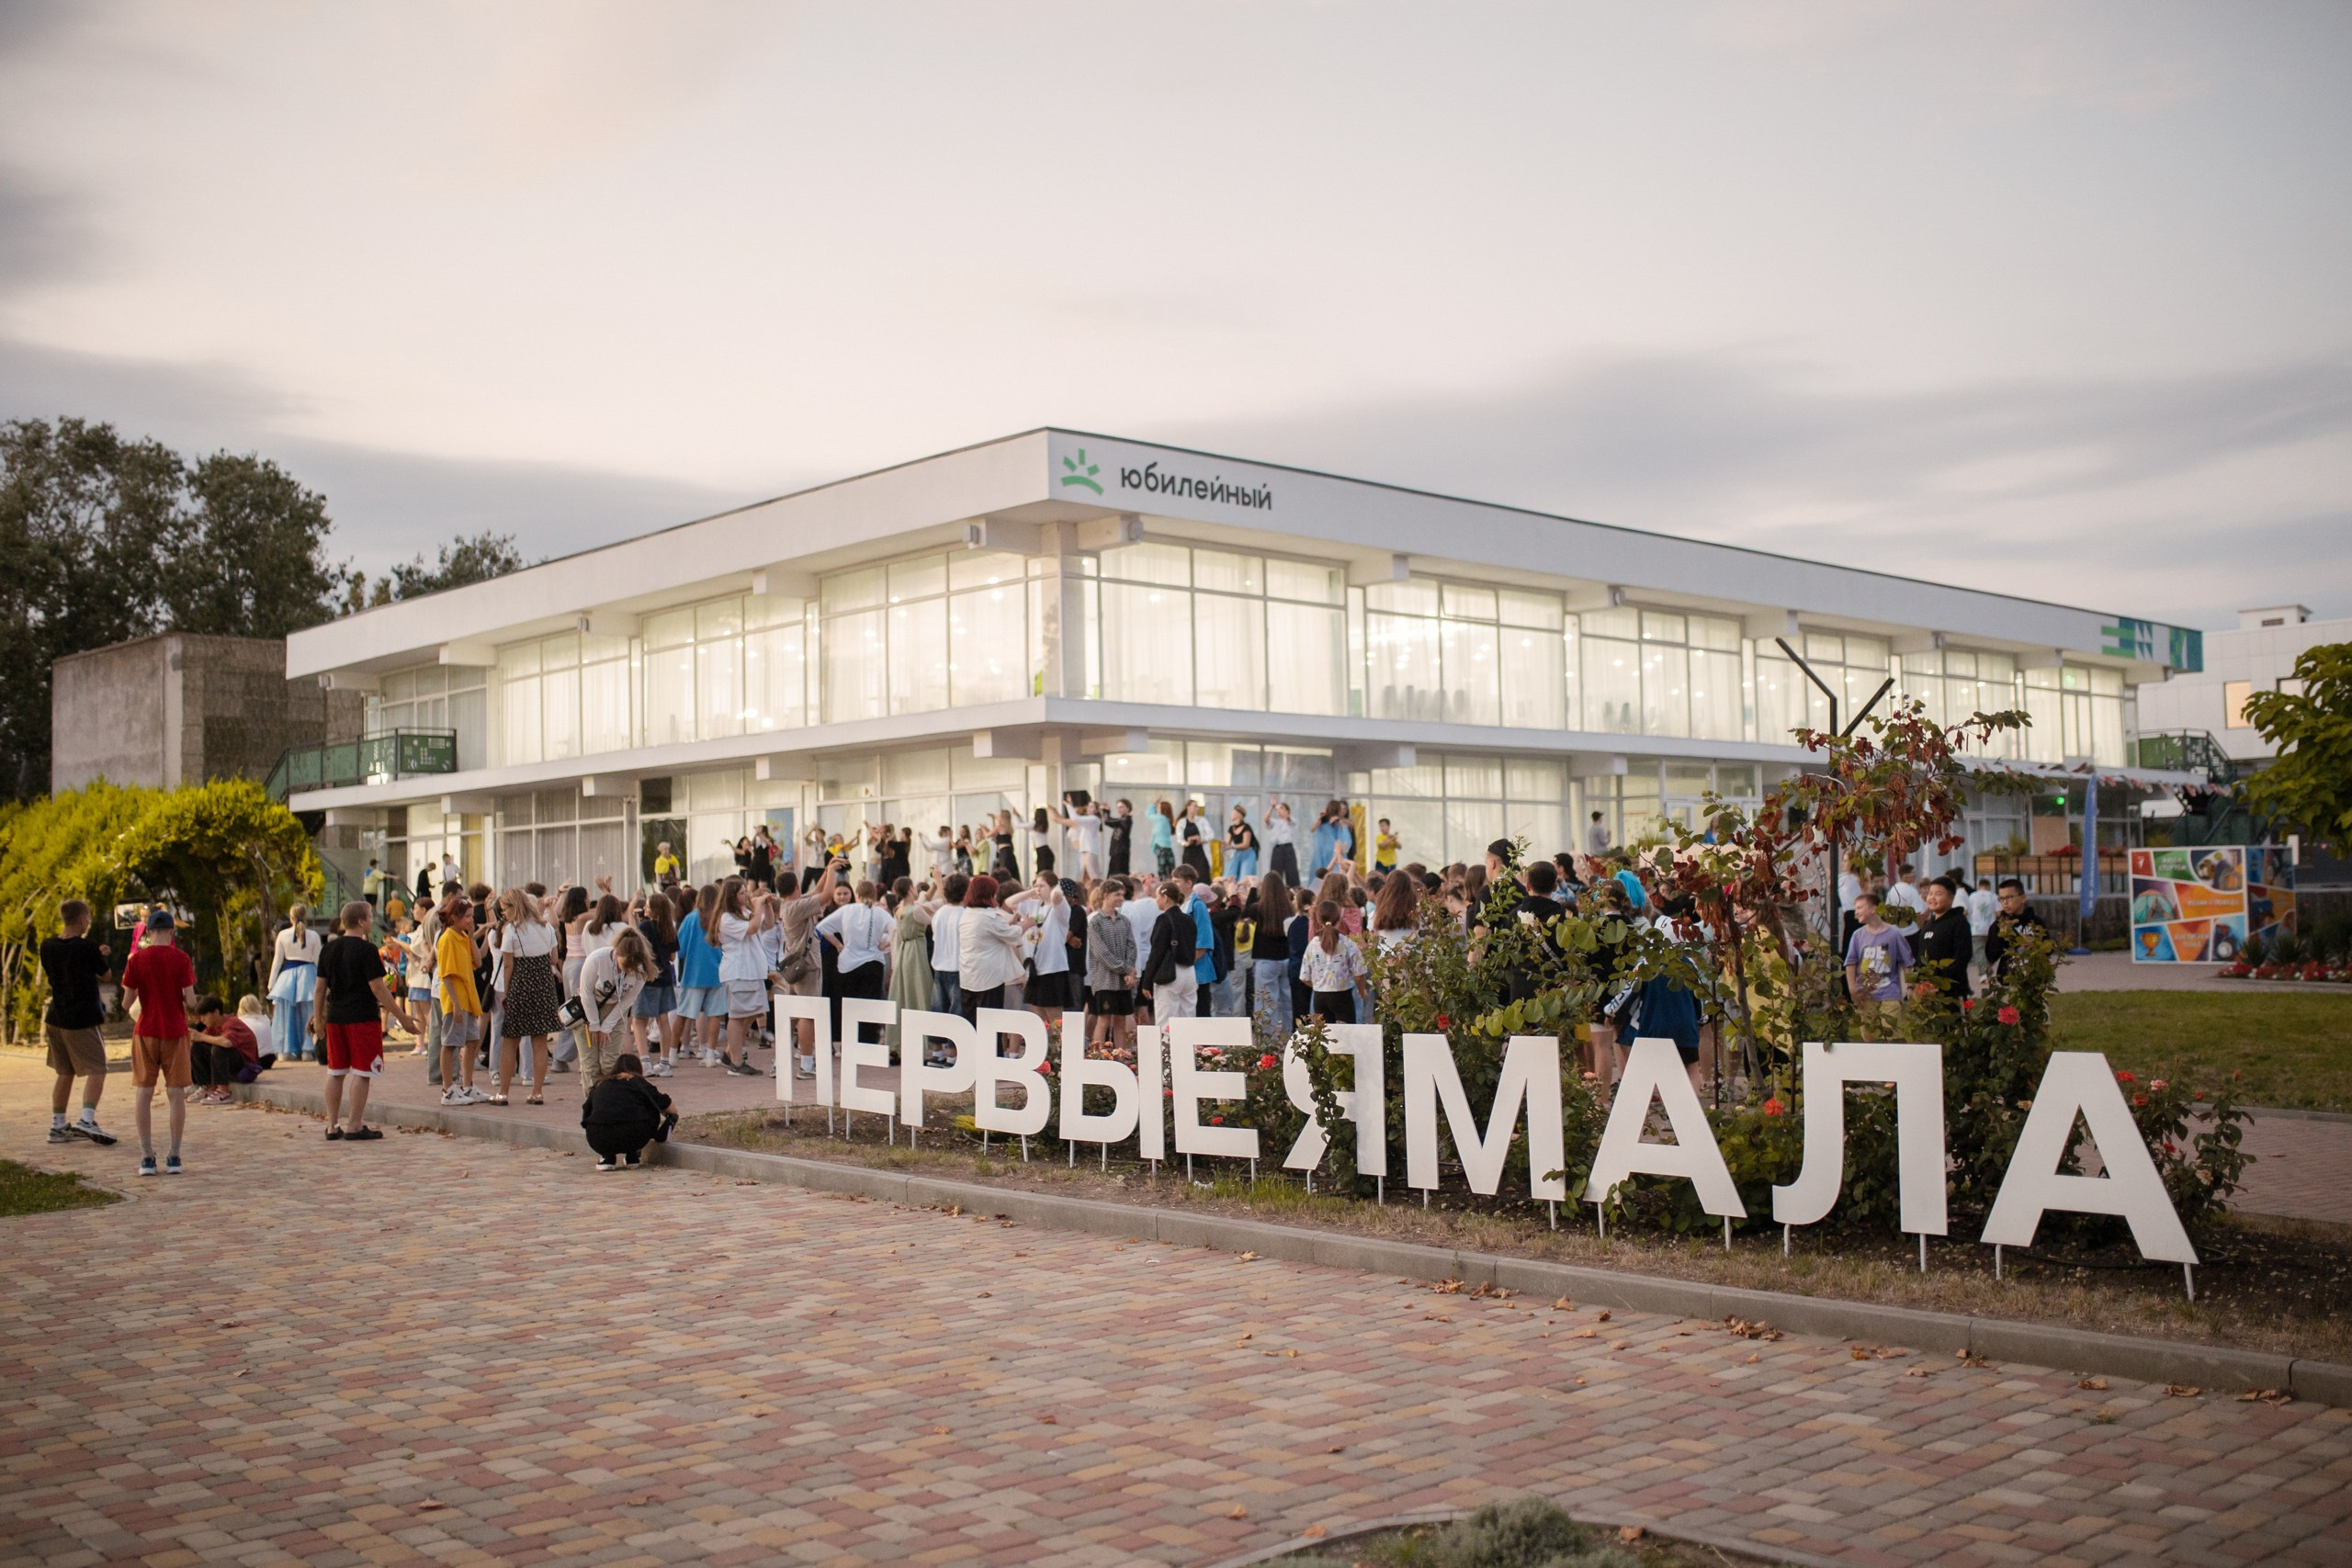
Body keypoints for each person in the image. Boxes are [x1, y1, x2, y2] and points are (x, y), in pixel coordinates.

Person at [313, 899, 417, 1141]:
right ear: (361, 921)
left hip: (336, 1016)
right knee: (362, 1071)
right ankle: (354, 1124)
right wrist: (402, 1016)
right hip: (362, 1018)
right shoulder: (367, 950)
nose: (372, 920)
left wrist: (318, 1018)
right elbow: (379, 989)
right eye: (370, 917)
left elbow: (320, 989)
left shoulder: (328, 948)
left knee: (335, 1070)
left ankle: (331, 1125)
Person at [120, 909, 198, 1175]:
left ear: (148, 931)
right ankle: (174, 1156)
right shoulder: (182, 959)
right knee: (176, 1094)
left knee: (143, 1092)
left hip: (146, 1030)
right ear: (171, 931)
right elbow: (191, 1000)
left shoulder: (137, 960)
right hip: (175, 1030)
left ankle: (146, 1157)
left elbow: (126, 1002)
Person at [40, 899, 116, 1145]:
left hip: (56, 1017)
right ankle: (87, 1118)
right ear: (82, 918)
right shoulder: (87, 947)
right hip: (81, 1017)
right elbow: (105, 975)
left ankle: (58, 1125)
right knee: (97, 1068)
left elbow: (67, 965)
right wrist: (98, 955)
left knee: (65, 1072)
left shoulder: (47, 946)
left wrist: (94, 954)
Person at [494, 887, 562, 1105]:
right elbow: (554, 959)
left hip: (520, 983)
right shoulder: (546, 926)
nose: (503, 913)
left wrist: (506, 992)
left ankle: (503, 1093)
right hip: (543, 984)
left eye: (505, 909)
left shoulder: (512, 930)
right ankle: (537, 1091)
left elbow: (508, 964)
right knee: (540, 1041)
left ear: (515, 907)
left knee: (510, 1041)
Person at [571, 927, 656, 1089]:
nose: (629, 970)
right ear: (617, 953)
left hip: (616, 1012)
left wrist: (606, 1027)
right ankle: (591, 1105)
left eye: (633, 966)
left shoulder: (641, 970)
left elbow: (627, 1001)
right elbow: (586, 994)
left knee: (610, 1063)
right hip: (589, 1010)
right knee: (590, 1065)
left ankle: (609, 1099)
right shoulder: (597, 960)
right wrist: (595, 1025)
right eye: (625, 965)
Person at [714, 878, 775, 1077]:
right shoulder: (727, 918)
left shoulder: (744, 913)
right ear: (732, 896)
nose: (746, 896)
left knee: (752, 1012)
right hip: (738, 972)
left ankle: (730, 1053)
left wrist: (766, 906)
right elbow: (753, 928)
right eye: (742, 893)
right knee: (737, 1016)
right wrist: (757, 905)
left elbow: (768, 924)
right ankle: (737, 1063)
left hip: (752, 972)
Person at [434, 895, 490, 1105]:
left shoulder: (463, 937)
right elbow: (446, 974)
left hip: (468, 997)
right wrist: (456, 1004)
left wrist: (473, 936)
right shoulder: (447, 938)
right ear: (454, 917)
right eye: (466, 916)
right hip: (455, 999)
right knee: (450, 1044)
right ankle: (448, 1089)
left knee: (472, 1040)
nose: (470, 920)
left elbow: (477, 960)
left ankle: (468, 1085)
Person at [580, 1053, 676, 1172]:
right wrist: (639, 1082)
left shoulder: (601, 1084)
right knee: (649, 1106)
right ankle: (633, 1155)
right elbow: (672, 1110)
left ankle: (607, 1157)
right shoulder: (638, 1083)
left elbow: (586, 1111)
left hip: (598, 1137)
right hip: (636, 1136)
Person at [956, 874, 1024, 1018]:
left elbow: (990, 933)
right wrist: (1027, 924)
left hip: (968, 976)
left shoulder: (966, 914)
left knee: (971, 1022)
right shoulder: (990, 917)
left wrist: (1009, 923)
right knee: (991, 1025)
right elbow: (1013, 935)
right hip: (989, 980)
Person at [1084, 883, 1138, 1056]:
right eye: (1117, 894)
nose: (1121, 898)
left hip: (1123, 981)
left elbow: (1132, 946)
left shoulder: (1125, 921)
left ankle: (1120, 1058)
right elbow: (1102, 953)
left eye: (1122, 894)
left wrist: (1129, 970)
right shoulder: (1095, 922)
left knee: (1121, 1020)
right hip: (1105, 981)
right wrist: (1125, 970)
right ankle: (1097, 1057)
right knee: (1104, 1020)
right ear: (1106, 895)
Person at [674, 885, 725, 1067]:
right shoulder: (720, 918)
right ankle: (710, 1053)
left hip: (693, 973)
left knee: (683, 1014)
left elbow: (679, 949)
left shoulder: (690, 918)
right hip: (716, 973)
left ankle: (673, 1053)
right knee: (715, 1016)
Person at [189, 996, 271, 1104]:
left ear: (216, 1012)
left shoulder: (231, 1022)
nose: (202, 1019)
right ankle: (207, 1087)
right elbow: (202, 1039)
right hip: (234, 1066)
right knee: (197, 1048)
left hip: (246, 1069)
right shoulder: (212, 1026)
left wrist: (201, 1037)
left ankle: (224, 1091)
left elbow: (227, 1042)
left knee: (219, 1049)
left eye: (205, 1015)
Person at [1298, 900, 1369, 1024]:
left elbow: (1304, 976)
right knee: (1346, 1034)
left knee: (1325, 1036)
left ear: (1318, 920)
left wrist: (1319, 985)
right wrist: (1362, 991)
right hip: (1342, 996)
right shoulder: (1347, 944)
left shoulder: (1313, 945)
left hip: (1319, 997)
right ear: (1340, 918)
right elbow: (1359, 973)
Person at [266, 906, 322, 1062]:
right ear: (305, 917)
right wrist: (324, 983)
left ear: (290, 917)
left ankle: (285, 1051)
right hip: (308, 976)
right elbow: (318, 961)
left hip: (287, 977)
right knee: (308, 1013)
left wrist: (271, 983)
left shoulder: (282, 935)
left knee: (286, 1015)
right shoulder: (314, 936)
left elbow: (277, 960)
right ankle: (307, 1050)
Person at [1247, 872, 1295, 1041]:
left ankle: (1268, 1044)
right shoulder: (1289, 908)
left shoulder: (1259, 908)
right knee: (1288, 1003)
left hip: (1265, 959)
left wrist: (1253, 888)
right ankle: (1289, 1040)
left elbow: (1246, 912)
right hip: (1285, 959)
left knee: (1266, 1005)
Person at [1843, 893, 1912, 1010]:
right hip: (1864, 995)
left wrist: (1910, 986)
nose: (1856, 912)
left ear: (1874, 909)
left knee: (1890, 1027)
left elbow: (1908, 963)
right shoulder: (1857, 936)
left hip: (1890, 994)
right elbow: (1850, 963)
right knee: (1868, 1028)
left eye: (1860, 908)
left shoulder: (1894, 935)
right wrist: (1853, 989)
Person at [1910, 876, 1974, 999]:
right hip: (1926, 991)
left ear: (1951, 897)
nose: (1932, 898)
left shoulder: (1959, 922)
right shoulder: (1928, 925)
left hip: (1951, 991)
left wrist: (1939, 982)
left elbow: (1963, 956)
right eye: (1930, 893)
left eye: (1938, 894)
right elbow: (1920, 957)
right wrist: (1916, 982)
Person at [1144, 883, 1200, 1022]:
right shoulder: (1189, 919)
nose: (1156, 900)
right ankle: (1187, 1044)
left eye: (1158, 896)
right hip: (1189, 972)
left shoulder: (1164, 919)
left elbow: (1157, 952)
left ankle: (1165, 1045)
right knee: (1187, 1018)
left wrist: (1147, 981)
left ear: (1165, 897)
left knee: (1166, 1020)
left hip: (1170, 974)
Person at [1984, 877, 2051, 978]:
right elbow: (1991, 955)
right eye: (2001, 899)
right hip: (2009, 977)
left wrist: (2036, 945)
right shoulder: (1998, 925)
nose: (2005, 902)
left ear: (2023, 898)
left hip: (2034, 976)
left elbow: (2049, 948)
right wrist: (2001, 936)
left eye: (2009, 897)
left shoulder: (2036, 922)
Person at [929, 873, 967, 1021]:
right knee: (957, 1016)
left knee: (938, 1012)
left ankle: (935, 1044)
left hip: (939, 966)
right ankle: (953, 1045)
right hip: (958, 968)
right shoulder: (964, 914)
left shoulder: (939, 913)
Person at [1965, 875, 1999, 985]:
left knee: (1979, 952)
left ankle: (1984, 974)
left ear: (1979, 886)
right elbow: (1998, 913)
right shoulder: (1994, 896)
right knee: (1989, 952)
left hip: (1976, 928)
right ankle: (1987, 972)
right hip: (1991, 929)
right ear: (1989, 886)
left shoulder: (1973, 896)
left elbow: (1967, 911)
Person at [1265, 799, 1300, 885]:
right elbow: (1266, 819)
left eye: (1281, 808)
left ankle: (1293, 892)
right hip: (1277, 848)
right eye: (1277, 809)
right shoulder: (1274, 822)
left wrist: (1285, 815)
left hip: (1288, 848)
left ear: (1287, 811)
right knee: (1276, 873)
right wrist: (1272, 807)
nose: (1278, 810)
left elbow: (1290, 819)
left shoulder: (1291, 821)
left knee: (1292, 873)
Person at [1226, 807, 1259, 880]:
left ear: (1239, 814)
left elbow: (1246, 844)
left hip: (1248, 854)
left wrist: (1231, 846)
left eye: (1233, 812)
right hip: (1237, 854)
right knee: (1231, 874)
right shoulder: (1231, 828)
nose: (1231, 814)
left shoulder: (1246, 827)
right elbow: (1227, 844)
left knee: (1245, 876)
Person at [1107, 799, 1135, 878]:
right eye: (1118, 808)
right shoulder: (1120, 821)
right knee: (1113, 874)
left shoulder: (1126, 820)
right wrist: (1106, 811)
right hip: (1116, 852)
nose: (1119, 809)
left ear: (1128, 808)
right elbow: (1108, 821)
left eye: (1122, 807)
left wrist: (1106, 811)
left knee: (1119, 875)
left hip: (1121, 852)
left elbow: (1108, 821)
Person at [1150, 800, 1177, 877]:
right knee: (1171, 869)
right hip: (1167, 848)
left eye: (1158, 808)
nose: (1157, 810)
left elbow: (1149, 814)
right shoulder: (1167, 820)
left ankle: (1164, 884)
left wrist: (1153, 804)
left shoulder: (1161, 819)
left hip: (1161, 847)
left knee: (1162, 870)